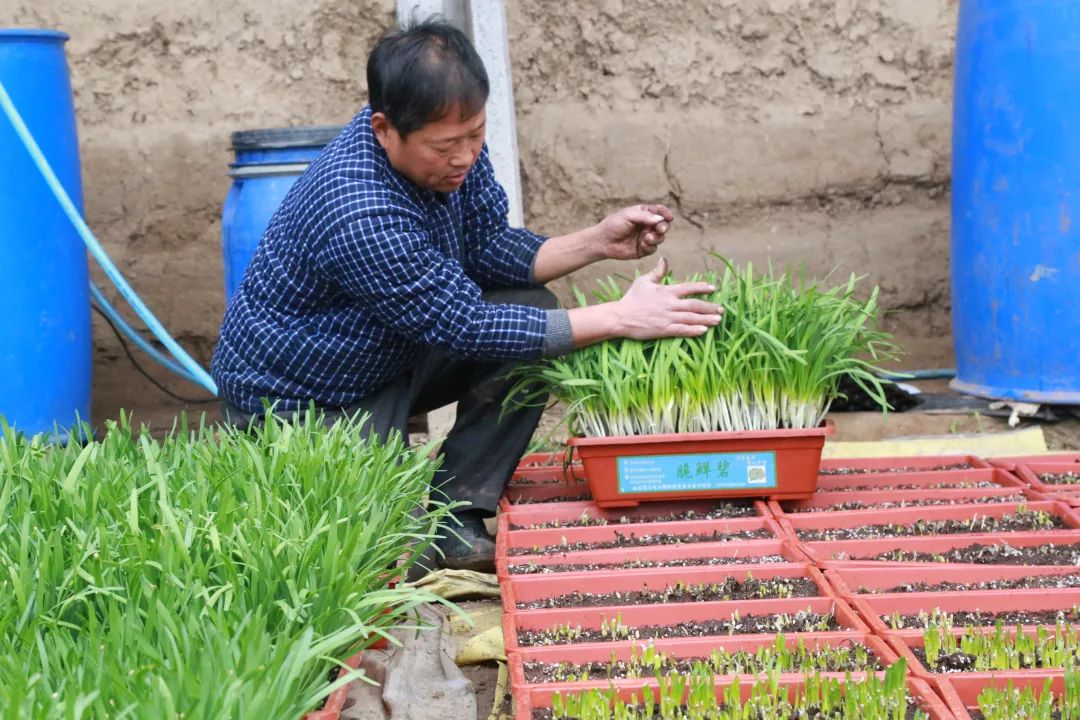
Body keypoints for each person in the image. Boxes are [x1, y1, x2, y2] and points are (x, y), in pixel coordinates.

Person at [210, 19, 723, 572]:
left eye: (476, 134)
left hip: (388, 354)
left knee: (533, 311)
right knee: (388, 563)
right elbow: (466, 324)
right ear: (384, 130)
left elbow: (488, 246)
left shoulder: (452, 155)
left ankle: (460, 511)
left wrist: (596, 241)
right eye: (446, 145)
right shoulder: (358, 210)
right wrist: (622, 317)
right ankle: (393, 507)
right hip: (306, 398)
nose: (465, 156)